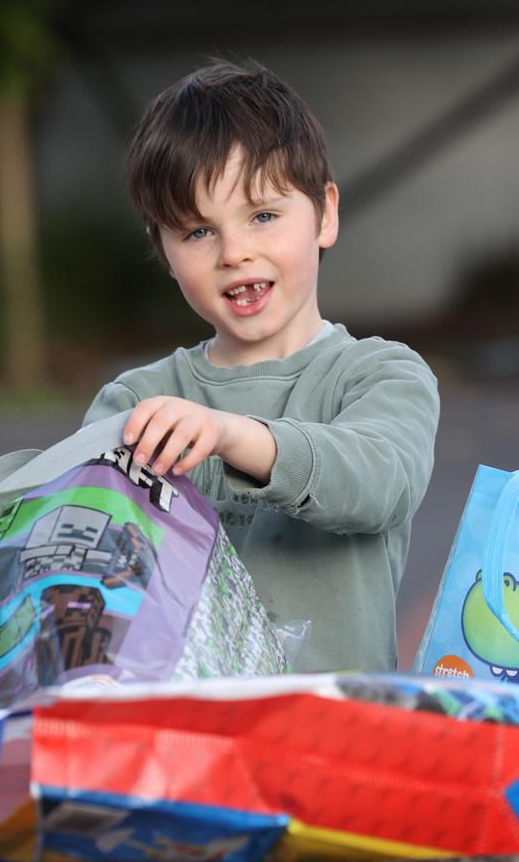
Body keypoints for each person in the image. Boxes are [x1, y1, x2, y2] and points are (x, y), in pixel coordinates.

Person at [82, 59, 440, 673]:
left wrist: (230, 434)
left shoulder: (382, 374)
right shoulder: (134, 402)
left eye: (263, 216)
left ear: (325, 214)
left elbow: (380, 484)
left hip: (336, 743)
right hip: (183, 746)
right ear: (162, 249)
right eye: (197, 232)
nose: (235, 252)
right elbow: (87, 562)